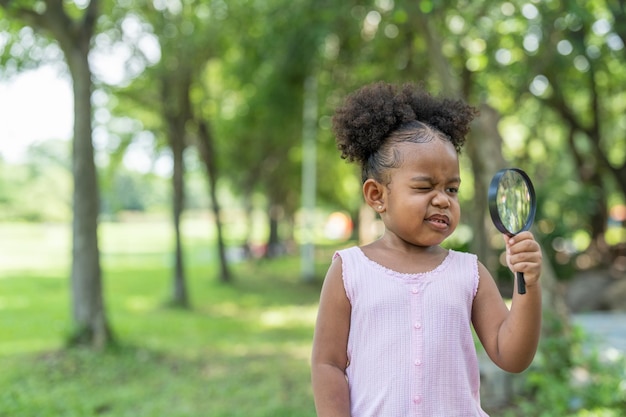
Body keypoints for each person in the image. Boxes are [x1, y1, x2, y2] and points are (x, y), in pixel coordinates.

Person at [310, 81, 542, 417]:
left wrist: (529, 285)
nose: (442, 199)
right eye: (424, 186)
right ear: (377, 195)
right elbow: (327, 364)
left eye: (452, 189)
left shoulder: (469, 272)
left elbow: (513, 356)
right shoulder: (349, 269)